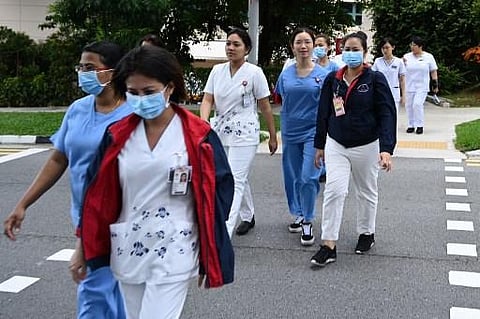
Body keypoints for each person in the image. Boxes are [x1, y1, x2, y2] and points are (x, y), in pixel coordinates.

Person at [79, 45, 235, 319]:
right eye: (133, 93)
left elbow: (220, 193)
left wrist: (209, 250)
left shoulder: (199, 136)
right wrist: (83, 247)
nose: (141, 99)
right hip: (129, 247)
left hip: (176, 248)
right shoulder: (117, 136)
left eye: (149, 92)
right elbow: (96, 197)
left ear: (169, 88)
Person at [3, 41, 132, 318]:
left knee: (93, 293)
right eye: (81, 67)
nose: (83, 73)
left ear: (112, 72)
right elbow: (58, 159)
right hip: (84, 217)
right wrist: (23, 204)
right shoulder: (78, 109)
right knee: (112, 296)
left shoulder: (133, 114)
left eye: (90, 67)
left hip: (119, 218)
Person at [310, 31, 396, 267]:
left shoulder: (375, 80)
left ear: (365, 52)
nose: (351, 53)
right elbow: (323, 113)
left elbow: (387, 114)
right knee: (334, 191)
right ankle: (328, 245)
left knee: (366, 191)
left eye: (356, 49)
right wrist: (320, 145)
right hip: (336, 143)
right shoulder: (333, 79)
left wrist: (386, 148)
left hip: (367, 145)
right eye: (347, 48)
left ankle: (367, 233)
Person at [200, 27, 278, 237]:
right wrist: (203, 123)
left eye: (236, 44)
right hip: (220, 130)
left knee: (236, 178)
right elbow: (208, 99)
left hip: (245, 133)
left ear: (247, 49)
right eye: (228, 44)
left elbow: (265, 107)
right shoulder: (217, 71)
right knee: (230, 175)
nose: (231, 48)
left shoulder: (254, 73)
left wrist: (272, 136)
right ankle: (248, 215)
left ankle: (224, 231)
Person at [275, 27, 329, 246]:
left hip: (313, 134)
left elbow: (330, 107)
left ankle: (307, 219)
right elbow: (280, 99)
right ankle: (297, 212)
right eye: (299, 42)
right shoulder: (285, 73)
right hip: (290, 132)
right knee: (293, 177)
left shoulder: (323, 75)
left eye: (308, 42)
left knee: (309, 177)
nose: (303, 46)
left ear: (314, 46)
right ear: (292, 46)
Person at [403, 36, 439, 134]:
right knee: (409, 106)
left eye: (414, 45)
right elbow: (401, 70)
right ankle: (411, 124)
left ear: (420, 46)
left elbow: (433, 71)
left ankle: (419, 125)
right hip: (409, 85)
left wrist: (435, 84)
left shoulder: (428, 57)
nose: (412, 47)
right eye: (411, 45)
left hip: (422, 86)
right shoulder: (406, 57)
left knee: (417, 104)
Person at [372, 37, 406, 114]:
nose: (385, 50)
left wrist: (403, 95)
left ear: (393, 47)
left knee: (394, 115)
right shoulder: (378, 61)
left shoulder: (399, 62)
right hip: (380, 92)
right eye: (383, 48)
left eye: (387, 48)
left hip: (394, 92)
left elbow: (402, 79)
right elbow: (373, 77)